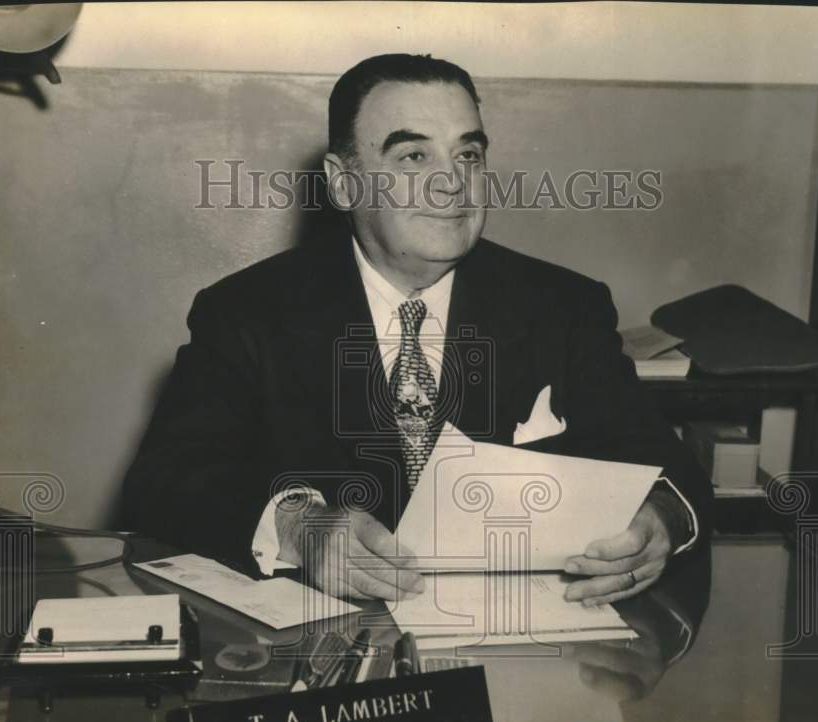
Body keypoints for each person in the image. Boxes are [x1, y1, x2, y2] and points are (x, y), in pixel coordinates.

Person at [120, 53, 713, 606]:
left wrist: (661, 520)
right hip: (325, 663)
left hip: (512, 653)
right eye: (413, 156)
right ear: (343, 181)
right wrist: (298, 527)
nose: (451, 182)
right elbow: (165, 484)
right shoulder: (247, 312)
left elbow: (667, 467)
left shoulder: (564, 306)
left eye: (468, 155)